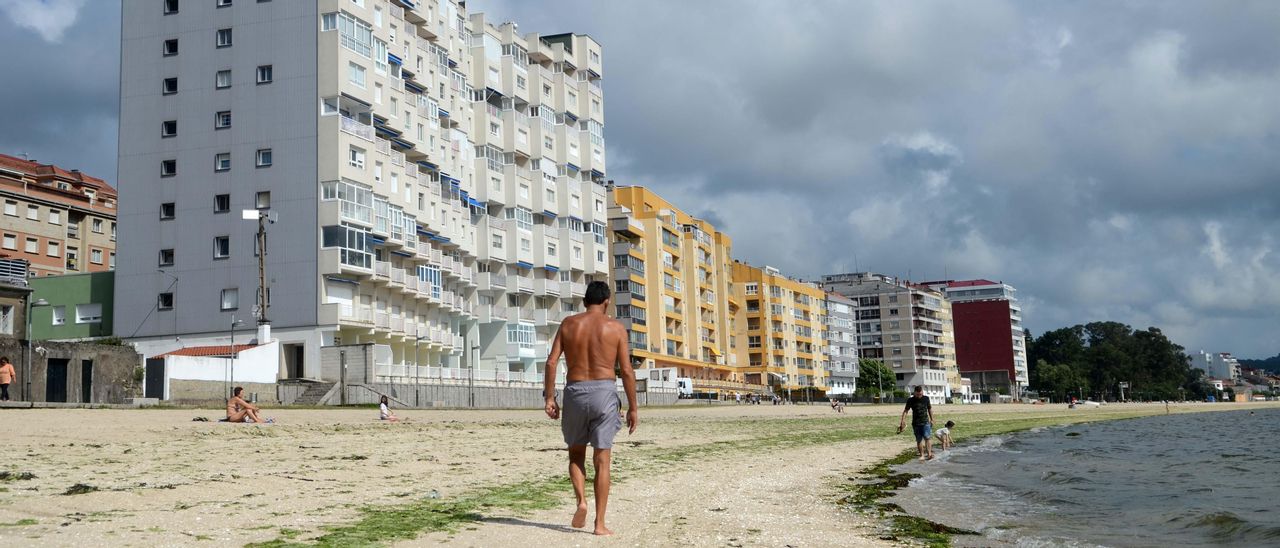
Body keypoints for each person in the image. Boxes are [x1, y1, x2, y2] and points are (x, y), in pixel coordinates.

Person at [544, 280, 638, 536]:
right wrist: (633, 408)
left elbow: (551, 363)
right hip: (604, 394)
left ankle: (581, 502)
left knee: (575, 454)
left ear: (584, 301)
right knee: (602, 461)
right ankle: (599, 524)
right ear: (607, 302)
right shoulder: (615, 327)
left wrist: (549, 398)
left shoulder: (568, 324)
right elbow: (627, 371)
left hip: (575, 391)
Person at [897, 386, 936, 461]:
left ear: (922, 392)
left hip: (925, 422)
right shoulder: (910, 400)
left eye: (920, 394)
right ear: (914, 392)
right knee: (919, 440)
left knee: (927, 438)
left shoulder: (926, 398)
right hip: (915, 423)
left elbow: (929, 409)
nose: (919, 396)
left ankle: (929, 454)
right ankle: (922, 455)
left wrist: (932, 419)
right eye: (918, 394)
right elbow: (906, 411)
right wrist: (903, 421)